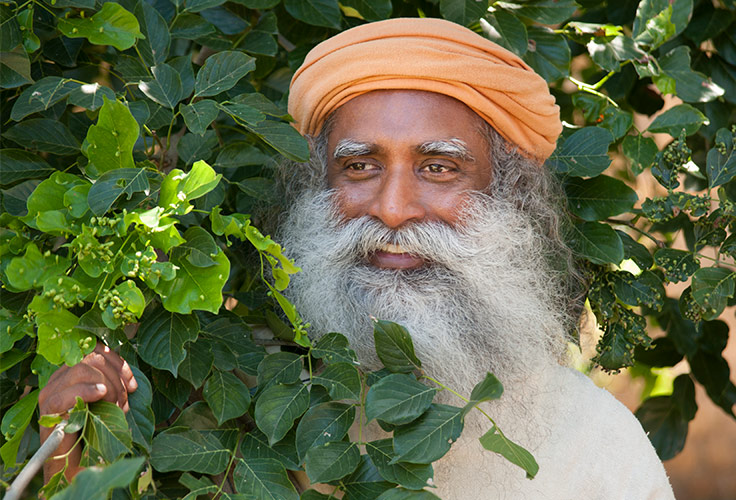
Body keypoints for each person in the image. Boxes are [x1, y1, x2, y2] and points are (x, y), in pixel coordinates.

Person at [39, 17, 675, 499]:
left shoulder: (595, 448)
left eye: (439, 167)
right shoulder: (233, 402)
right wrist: (72, 468)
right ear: (319, 188)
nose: (393, 209)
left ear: (507, 194)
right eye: (360, 166)